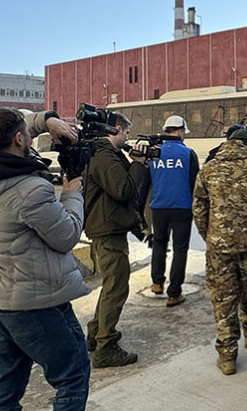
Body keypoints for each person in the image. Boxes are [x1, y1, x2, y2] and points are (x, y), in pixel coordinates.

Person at [0, 108, 90, 411]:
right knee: (73, 376)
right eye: (29, 133)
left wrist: (48, 120)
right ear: (18, 139)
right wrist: (71, 193)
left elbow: (16, 123)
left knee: (8, 381)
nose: (32, 135)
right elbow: (67, 236)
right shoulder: (30, 189)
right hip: (34, 304)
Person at [193, 126, 247, 375]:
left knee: (224, 296)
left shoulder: (208, 169)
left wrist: (210, 235)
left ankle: (227, 356)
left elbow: (199, 209)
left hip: (219, 245)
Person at [82, 112, 151, 367]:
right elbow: (123, 190)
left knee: (111, 284)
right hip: (107, 229)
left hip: (107, 226)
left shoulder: (103, 153)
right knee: (117, 287)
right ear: (117, 129)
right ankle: (106, 345)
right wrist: (137, 163)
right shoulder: (104, 153)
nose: (128, 138)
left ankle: (96, 332)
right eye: (126, 133)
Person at [148, 115, 199, 307]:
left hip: (159, 207)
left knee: (159, 243)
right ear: (179, 131)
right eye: (184, 132)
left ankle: (157, 283)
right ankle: (174, 292)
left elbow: (148, 181)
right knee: (180, 249)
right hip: (182, 208)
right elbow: (195, 183)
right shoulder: (188, 154)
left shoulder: (154, 153)